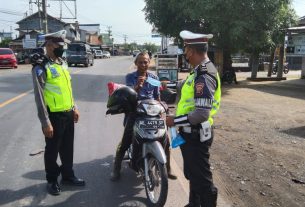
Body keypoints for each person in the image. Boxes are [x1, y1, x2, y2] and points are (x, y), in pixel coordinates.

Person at [166, 30, 221, 207]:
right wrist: (167, 85)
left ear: (190, 50)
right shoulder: (197, 71)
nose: (185, 53)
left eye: (185, 49)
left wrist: (174, 120)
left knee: (203, 181)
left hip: (197, 134)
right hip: (191, 134)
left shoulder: (204, 75)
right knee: (193, 174)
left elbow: (201, 113)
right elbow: (187, 87)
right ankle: (193, 204)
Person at [31, 30, 85, 196]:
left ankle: (68, 176)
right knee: (52, 150)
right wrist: (45, 122)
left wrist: (74, 106)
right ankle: (52, 180)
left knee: (68, 148)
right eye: (59, 45)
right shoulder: (41, 66)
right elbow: (39, 97)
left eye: (63, 45)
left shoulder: (62, 63)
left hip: (68, 113)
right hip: (53, 115)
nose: (62, 48)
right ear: (48, 45)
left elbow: (67, 89)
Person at [110, 52, 177, 181]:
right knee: (126, 140)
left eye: (146, 62)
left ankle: (167, 168)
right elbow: (128, 94)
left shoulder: (154, 78)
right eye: (140, 62)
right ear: (136, 64)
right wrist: (137, 87)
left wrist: (162, 110)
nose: (143, 64)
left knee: (165, 139)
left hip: (152, 111)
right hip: (136, 112)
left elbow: (157, 97)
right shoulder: (130, 77)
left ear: (149, 63)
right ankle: (116, 168)